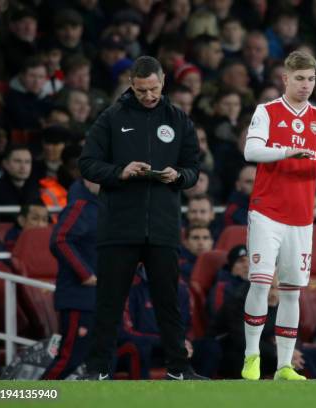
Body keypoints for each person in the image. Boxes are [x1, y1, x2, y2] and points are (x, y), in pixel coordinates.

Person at [78, 56, 203, 380]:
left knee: (168, 303)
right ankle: (97, 370)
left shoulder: (178, 119)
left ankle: (178, 368)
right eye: (141, 90)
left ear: (163, 81)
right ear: (131, 84)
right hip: (119, 226)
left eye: (153, 89)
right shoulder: (111, 117)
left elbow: (193, 168)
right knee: (109, 302)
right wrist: (121, 172)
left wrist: (179, 176)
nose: (148, 96)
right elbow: (88, 164)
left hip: (162, 227)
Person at [241, 50, 316, 381]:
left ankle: (283, 367)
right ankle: (251, 356)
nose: (306, 85)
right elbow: (251, 150)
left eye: (311, 79)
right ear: (285, 78)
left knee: (293, 291)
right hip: (267, 212)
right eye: (299, 79)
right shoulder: (267, 111)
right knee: (262, 284)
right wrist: (288, 150)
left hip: (301, 218)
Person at [41, 178, 100, 379]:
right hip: (80, 298)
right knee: (69, 359)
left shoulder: (105, 208)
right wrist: (85, 274)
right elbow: (60, 240)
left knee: (99, 361)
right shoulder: (81, 206)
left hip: (98, 299)